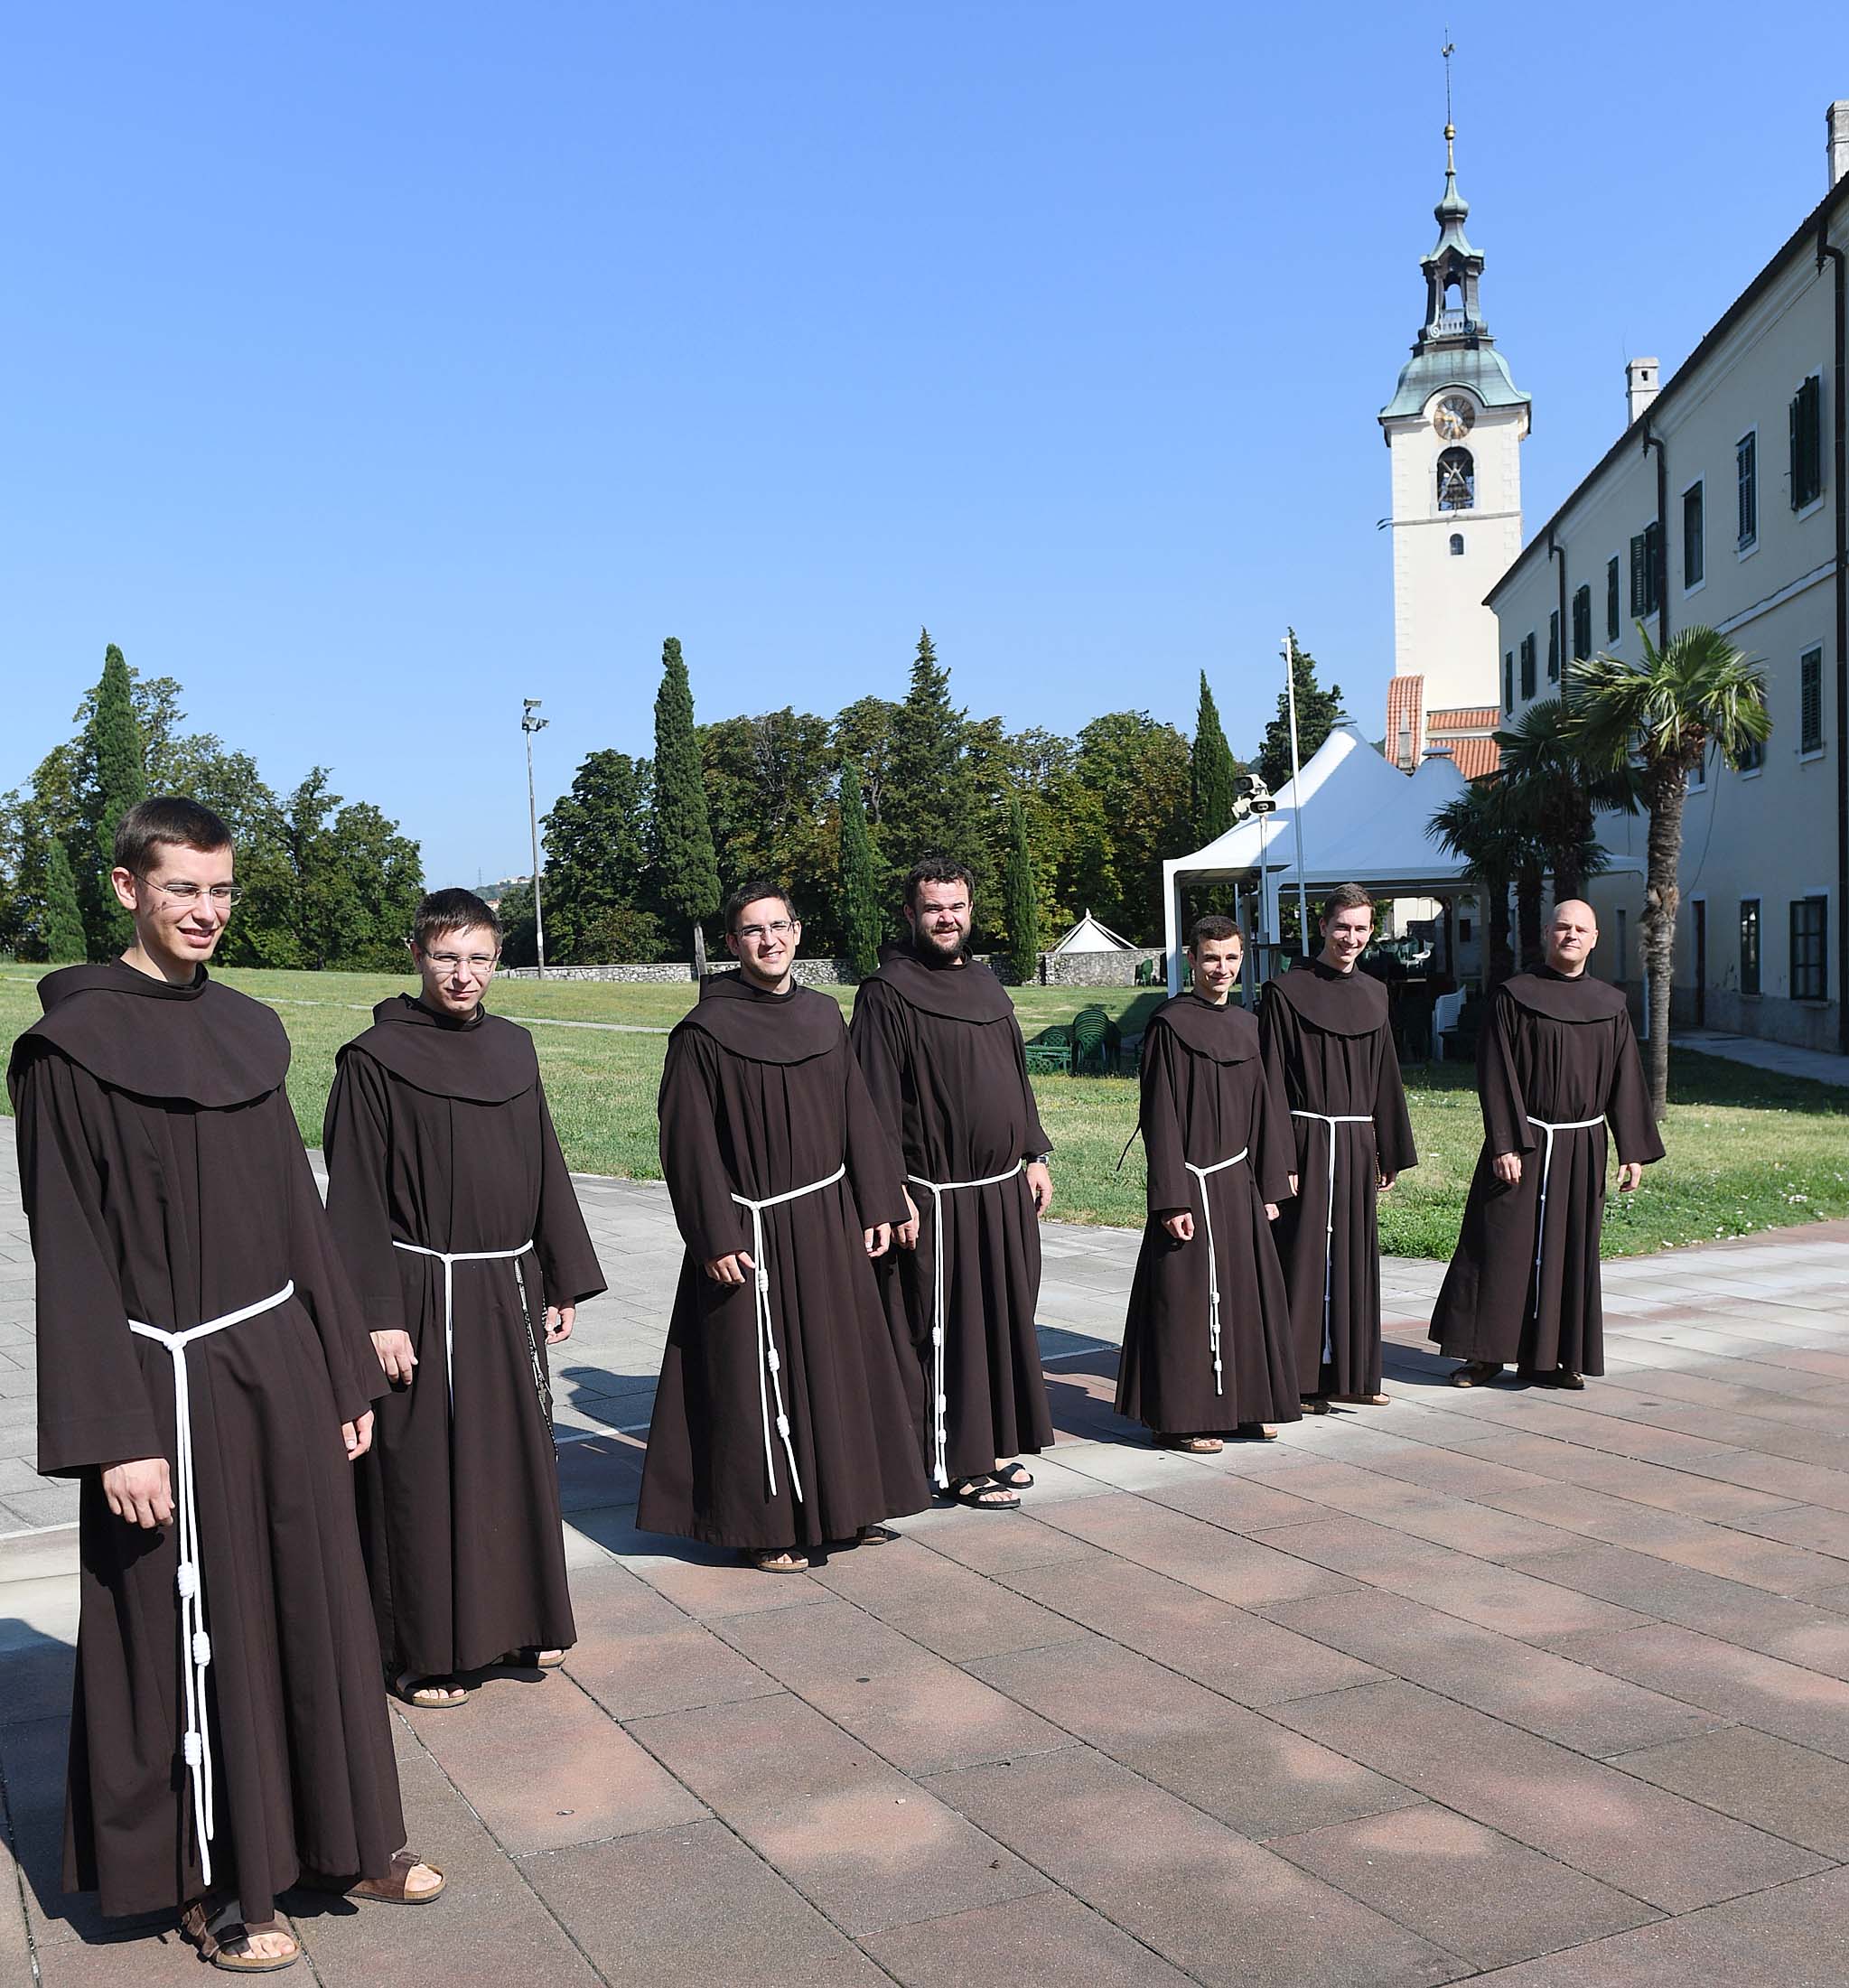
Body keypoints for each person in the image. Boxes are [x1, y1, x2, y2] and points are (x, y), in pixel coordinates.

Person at [9, 797, 442, 1975]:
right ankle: (214, 1884)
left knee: (317, 1604)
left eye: (220, 890)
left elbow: (295, 1216)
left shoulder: (250, 1031)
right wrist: (118, 1435)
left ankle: (351, 1836)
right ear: (126, 890)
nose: (204, 911)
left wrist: (342, 1365)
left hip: (281, 1364)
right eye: (181, 889)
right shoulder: (67, 1052)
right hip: (168, 1376)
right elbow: (74, 1254)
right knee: (191, 1629)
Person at [322, 888, 606, 1710]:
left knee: (512, 1461)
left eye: (478, 957)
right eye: (446, 956)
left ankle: (518, 1620)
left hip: (507, 1281)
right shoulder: (374, 1058)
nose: (462, 974)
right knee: (425, 1471)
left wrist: (558, 1274)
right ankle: (423, 1647)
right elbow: (356, 1200)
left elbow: (544, 1164)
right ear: (416, 956)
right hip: (421, 1290)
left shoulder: (515, 1048)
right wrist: (374, 1313)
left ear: (496, 961)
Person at [637, 881, 929, 1571]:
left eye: (779, 926)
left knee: (840, 1365)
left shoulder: (826, 1015)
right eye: (752, 930)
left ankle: (850, 1506)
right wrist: (713, 1236)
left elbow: (859, 1113)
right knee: (754, 1376)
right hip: (752, 1229)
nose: (768, 940)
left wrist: (881, 1201)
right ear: (734, 943)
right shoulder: (704, 1032)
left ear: (796, 932)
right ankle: (765, 1524)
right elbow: (687, 1143)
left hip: (828, 1221)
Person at [849, 858, 1053, 1511]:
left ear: (970, 910)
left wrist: (1033, 1152)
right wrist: (887, 1193)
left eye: (956, 906)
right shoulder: (886, 992)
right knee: (943, 1328)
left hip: (1000, 1188)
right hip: (931, 1192)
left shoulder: (988, 984)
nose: (946, 918)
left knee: (999, 1320)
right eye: (933, 908)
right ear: (909, 915)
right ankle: (954, 1460)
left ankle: (992, 1443)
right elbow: (869, 1104)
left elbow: (1013, 1077)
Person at [1430, 899, 1664, 1388]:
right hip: (1525, 1141)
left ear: (1595, 939)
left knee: (1569, 1248)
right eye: (1563, 927)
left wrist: (1633, 1149)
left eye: (1581, 929)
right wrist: (1505, 1142)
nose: (1571, 935)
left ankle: (1556, 1357)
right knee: (1498, 1242)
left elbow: (1626, 1080)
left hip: (1581, 1147)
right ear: (1546, 933)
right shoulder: (1515, 995)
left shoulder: (1611, 1004)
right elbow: (1496, 1072)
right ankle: (1484, 1354)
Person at [1116, 917, 1299, 1450]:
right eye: (1212, 958)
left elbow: (1267, 1107)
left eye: (1233, 959)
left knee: (1244, 1294)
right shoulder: (1169, 1024)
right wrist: (1170, 1196)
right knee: (1186, 1298)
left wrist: (1269, 1185)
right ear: (1191, 961)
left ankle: (1243, 1407)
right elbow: (1161, 1117)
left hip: (1237, 1182)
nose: (1222, 969)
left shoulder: (1247, 1025)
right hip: (1191, 1184)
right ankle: (1183, 1418)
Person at [1259, 884, 1416, 1413]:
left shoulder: (1375, 993)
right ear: (1323, 927)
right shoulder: (1285, 991)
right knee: (1301, 1257)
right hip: (1304, 1140)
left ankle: (1351, 1374)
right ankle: (1299, 1379)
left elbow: (1385, 1076)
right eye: (1342, 927)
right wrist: (1278, 1161)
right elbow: (1271, 1082)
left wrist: (1388, 1148)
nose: (1351, 938)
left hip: (1353, 1141)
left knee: (1352, 1256)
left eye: (1362, 929)